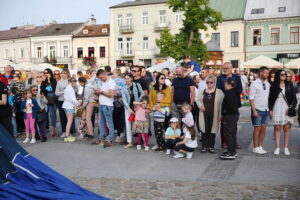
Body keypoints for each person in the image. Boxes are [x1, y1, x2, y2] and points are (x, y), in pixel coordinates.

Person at [269, 70, 297, 156]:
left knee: (286, 129)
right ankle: (277, 147)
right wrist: (270, 109)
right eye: (282, 74)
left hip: (287, 108)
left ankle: (286, 148)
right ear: (278, 75)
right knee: (277, 128)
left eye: (285, 74)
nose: (284, 75)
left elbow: (294, 98)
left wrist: (291, 106)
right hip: (277, 108)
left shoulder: (290, 84)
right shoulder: (273, 86)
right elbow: (270, 99)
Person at [216, 62, 242, 149]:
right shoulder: (220, 78)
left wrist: (230, 93)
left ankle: (233, 141)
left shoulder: (236, 77)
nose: (225, 70)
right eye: (224, 68)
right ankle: (224, 142)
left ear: (231, 68)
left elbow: (239, 89)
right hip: (224, 104)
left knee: (233, 124)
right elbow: (218, 90)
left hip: (234, 103)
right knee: (224, 124)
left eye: (227, 68)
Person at [196, 74, 224, 153]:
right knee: (204, 130)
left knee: (212, 131)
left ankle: (211, 146)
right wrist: (200, 106)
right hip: (204, 114)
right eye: (207, 82)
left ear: (214, 83)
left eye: (211, 82)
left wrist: (221, 114)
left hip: (214, 114)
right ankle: (204, 146)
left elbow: (222, 104)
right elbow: (197, 100)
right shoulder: (202, 91)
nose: (209, 84)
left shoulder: (219, 92)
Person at [249, 66, 270, 155]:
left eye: (268, 73)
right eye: (266, 73)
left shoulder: (268, 84)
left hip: (266, 109)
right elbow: (251, 98)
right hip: (257, 109)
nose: (267, 74)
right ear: (261, 73)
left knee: (264, 129)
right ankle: (255, 147)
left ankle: (260, 146)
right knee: (257, 128)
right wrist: (254, 111)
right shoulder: (254, 84)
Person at [122, 73, 144, 148]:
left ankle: (140, 141)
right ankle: (129, 142)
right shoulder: (124, 87)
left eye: (128, 78)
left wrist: (138, 102)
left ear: (131, 78)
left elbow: (142, 93)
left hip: (137, 107)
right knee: (128, 125)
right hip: (128, 108)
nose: (126, 80)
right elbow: (124, 99)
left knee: (139, 124)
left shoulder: (137, 85)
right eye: (125, 78)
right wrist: (128, 108)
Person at [219, 78, 240, 160]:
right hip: (234, 115)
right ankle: (233, 151)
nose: (224, 85)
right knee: (232, 134)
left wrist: (224, 115)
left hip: (230, 116)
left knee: (228, 134)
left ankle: (230, 152)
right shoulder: (234, 92)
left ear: (229, 84)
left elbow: (229, 107)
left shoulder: (229, 93)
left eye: (225, 83)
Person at [95, 69, 115, 147]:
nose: (100, 79)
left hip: (107, 105)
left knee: (109, 123)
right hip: (102, 104)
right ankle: (101, 139)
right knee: (101, 123)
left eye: (100, 77)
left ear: (104, 74)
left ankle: (109, 139)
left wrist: (101, 92)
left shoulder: (111, 82)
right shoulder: (104, 82)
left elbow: (111, 94)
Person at [41, 68, 57, 137]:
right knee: (48, 115)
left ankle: (53, 128)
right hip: (47, 100)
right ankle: (49, 128)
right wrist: (45, 81)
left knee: (53, 115)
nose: (46, 74)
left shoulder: (53, 80)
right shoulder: (43, 81)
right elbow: (42, 90)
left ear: (50, 73)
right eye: (44, 73)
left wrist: (48, 80)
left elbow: (52, 89)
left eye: (47, 72)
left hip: (53, 100)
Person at [62, 77, 79, 143]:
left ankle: (67, 135)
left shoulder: (67, 88)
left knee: (69, 121)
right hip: (69, 106)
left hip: (66, 105)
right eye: (75, 82)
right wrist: (78, 104)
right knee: (70, 121)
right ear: (72, 82)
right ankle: (67, 136)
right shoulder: (71, 89)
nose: (75, 84)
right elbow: (73, 99)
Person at [55, 69, 70, 138]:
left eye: (64, 73)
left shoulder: (70, 81)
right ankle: (64, 131)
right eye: (62, 73)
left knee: (70, 117)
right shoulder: (59, 82)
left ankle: (71, 131)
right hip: (61, 101)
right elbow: (56, 93)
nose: (63, 74)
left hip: (69, 101)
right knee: (62, 117)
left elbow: (76, 90)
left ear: (67, 74)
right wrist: (63, 92)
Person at [112, 69, 126, 143]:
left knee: (117, 118)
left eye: (113, 73)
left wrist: (117, 96)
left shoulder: (115, 80)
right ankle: (122, 132)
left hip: (116, 100)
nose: (113, 75)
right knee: (122, 118)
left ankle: (118, 133)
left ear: (116, 73)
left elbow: (114, 90)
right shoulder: (124, 80)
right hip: (123, 101)